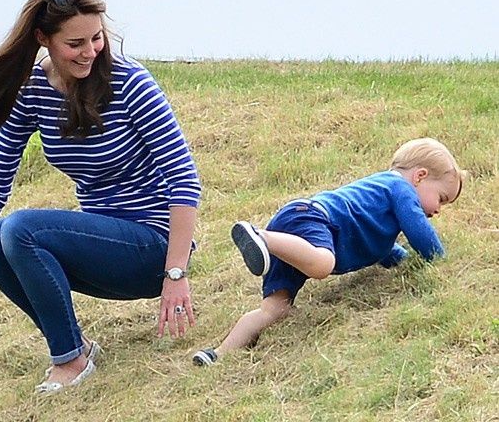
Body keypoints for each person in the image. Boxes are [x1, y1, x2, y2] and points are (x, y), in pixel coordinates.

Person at [0, 0, 201, 394]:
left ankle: (69, 362)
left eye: (96, 38)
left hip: (154, 249)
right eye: (75, 43)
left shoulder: (131, 84)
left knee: (21, 229)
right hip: (101, 248)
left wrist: (176, 273)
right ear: (44, 39)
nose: (90, 51)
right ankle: (75, 348)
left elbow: (184, 179)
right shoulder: (34, 90)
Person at [192, 137, 464, 366]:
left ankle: (218, 354)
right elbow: (420, 233)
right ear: (420, 176)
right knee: (322, 264)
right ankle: (259, 236)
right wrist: (439, 261)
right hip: (311, 218)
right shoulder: (399, 187)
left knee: (275, 309)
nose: (438, 210)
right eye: (441, 198)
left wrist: (404, 262)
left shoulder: (381, 211)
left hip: (295, 237)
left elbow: (379, 247)